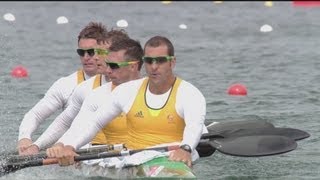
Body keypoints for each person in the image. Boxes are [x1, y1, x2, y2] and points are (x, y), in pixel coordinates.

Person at [47, 36, 206, 168]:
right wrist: (70, 146)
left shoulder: (189, 94)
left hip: (173, 157)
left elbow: (194, 126)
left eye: (160, 61)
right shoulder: (127, 91)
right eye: (149, 61)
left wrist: (186, 148)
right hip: (135, 160)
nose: (154, 67)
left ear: (172, 62)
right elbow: (94, 123)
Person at [22, 37, 142, 155]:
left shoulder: (150, 88)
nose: (94, 57)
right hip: (93, 151)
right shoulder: (90, 91)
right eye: (95, 52)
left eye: (101, 52)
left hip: (133, 151)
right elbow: (72, 124)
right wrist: (49, 145)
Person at [17, 22, 109, 154]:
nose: (86, 57)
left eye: (91, 52)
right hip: (75, 152)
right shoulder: (67, 85)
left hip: (113, 148)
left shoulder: (123, 82)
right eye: (81, 52)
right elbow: (36, 114)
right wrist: (25, 138)